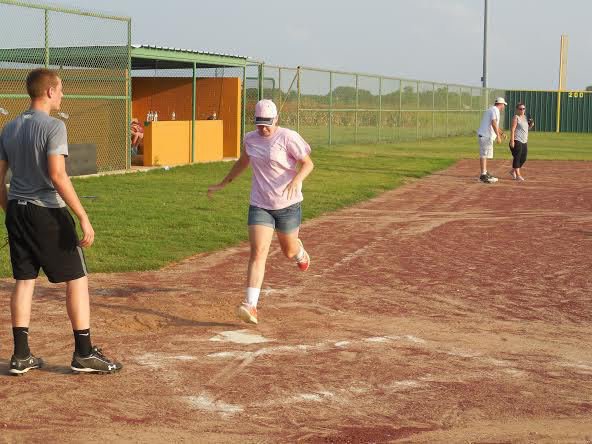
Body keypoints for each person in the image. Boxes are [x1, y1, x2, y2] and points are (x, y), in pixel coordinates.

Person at [0, 68, 122, 375]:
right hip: (47, 212)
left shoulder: (9, 128)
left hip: (18, 209)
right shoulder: (54, 127)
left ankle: (21, 355)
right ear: (49, 92)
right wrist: (83, 216)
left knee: (24, 280)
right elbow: (57, 175)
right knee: (77, 278)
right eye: (61, 89)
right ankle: (83, 353)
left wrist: (11, 211)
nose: (63, 94)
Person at [207, 99, 314, 325]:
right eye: (259, 124)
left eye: (267, 124)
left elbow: (307, 163)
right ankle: (251, 305)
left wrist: (297, 179)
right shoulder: (250, 139)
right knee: (258, 252)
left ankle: (300, 253)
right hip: (260, 204)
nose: (263, 128)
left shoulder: (288, 137)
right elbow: (243, 162)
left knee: (288, 251)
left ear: (276, 120)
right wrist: (223, 183)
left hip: (288, 205)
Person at [477, 97, 507, 183]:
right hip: (486, 136)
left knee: (485, 155)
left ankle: (485, 173)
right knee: (484, 155)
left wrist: (501, 133)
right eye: (503, 105)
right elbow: (493, 123)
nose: (504, 107)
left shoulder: (491, 109)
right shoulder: (495, 110)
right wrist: (498, 136)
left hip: (485, 136)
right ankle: (483, 175)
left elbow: (495, 125)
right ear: (501, 104)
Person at [509, 102, 534, 181]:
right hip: (517, 140)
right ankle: (518, 175)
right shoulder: (516, 117)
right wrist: (512, 141)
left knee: (523, 158)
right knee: (517, 157)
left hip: (524, 141)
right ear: (517, 110)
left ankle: (512, 171)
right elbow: (513, 129)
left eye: (523, 109)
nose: (522, 110)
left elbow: (526, 129)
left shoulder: (526, 117)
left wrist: (531, 125)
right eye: (520, 109)